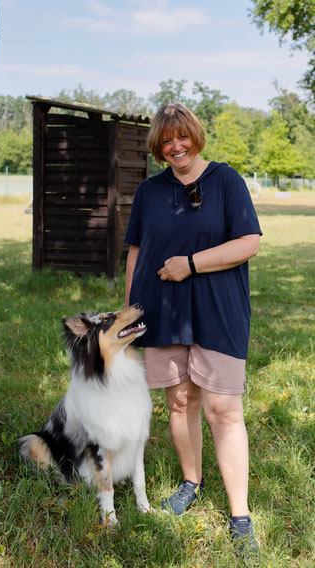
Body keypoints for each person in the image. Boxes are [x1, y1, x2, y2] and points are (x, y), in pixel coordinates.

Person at [124, 103, 262, 560]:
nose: (175, 147)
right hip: (160, 310)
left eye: (182, 138)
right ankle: (191, 483)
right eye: (166, 141)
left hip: (218, 310)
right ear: (158, 147)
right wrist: (128, 316)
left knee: (223, 408)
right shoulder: (148, 190)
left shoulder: (227, 181)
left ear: (195, 137)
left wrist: (191, 265)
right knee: (180, 400)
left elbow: (248, 243)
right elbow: (136, 252)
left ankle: (240, 515)